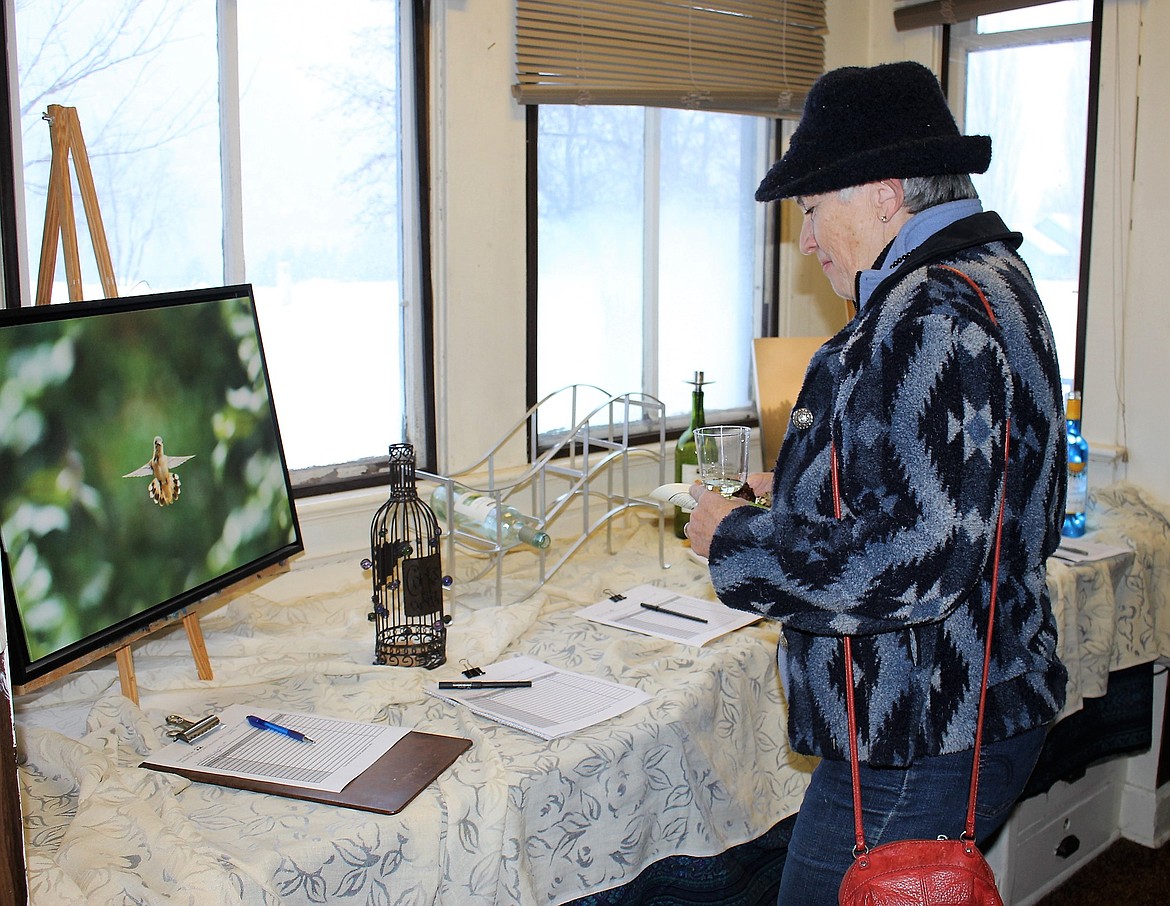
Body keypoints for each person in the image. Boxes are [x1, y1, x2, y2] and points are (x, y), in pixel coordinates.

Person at [684, 61, 1068, 905]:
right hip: (967, 705)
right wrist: (797, 493)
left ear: (885, 195)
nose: (809, 241)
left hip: (921, 729)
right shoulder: (993, 278)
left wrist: (737, 540)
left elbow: (925, 553)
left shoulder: (929, 309)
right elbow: (956, 487)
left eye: (814, 211)